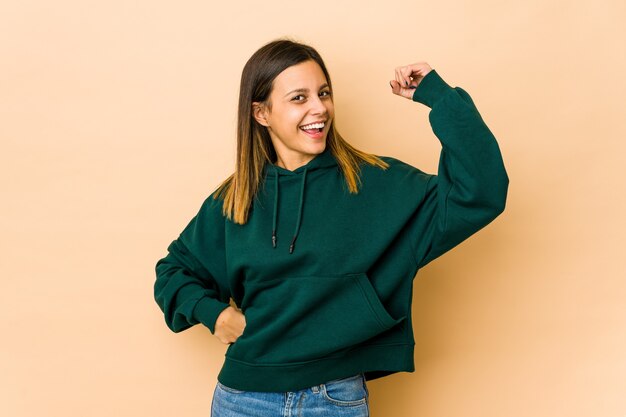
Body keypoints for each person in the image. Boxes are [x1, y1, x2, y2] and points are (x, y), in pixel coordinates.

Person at [153, 37, 509, 416]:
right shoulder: (236, 198)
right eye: (299, 98)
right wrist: (215, 315)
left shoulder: (375, 183)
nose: (319, 108)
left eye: (324, 93)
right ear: (261, 114)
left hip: (334, 399)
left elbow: (480, 192)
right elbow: (173, 272)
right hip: (243, 399)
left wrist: (439, 97)